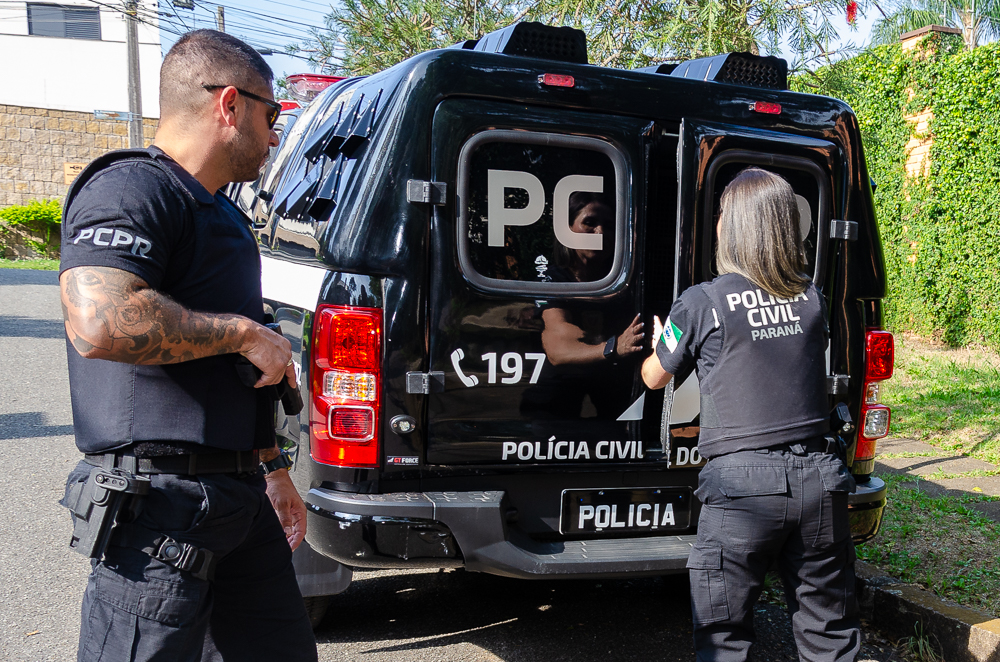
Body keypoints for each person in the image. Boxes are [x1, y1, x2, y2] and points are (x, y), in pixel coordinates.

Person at [58, 30, 317, 661]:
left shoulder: (225, 216)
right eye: (272, 115)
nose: (275, 136)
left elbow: (234, 372)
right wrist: (244, 332)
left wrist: (274, 469)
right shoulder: (130, 189)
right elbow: (99, 322)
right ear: (229, 104)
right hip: (157, 509)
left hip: (239, 501)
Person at [641, 168, 859, 662]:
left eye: (722, 213)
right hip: (820, 481)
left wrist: (659, 345)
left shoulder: (701, 302)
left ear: (733, 226)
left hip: (742, 486)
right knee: (829, 634)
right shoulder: (812, 298)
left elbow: (654, 376)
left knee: (724, 636)